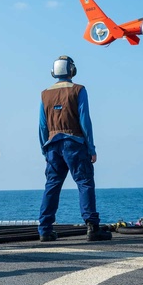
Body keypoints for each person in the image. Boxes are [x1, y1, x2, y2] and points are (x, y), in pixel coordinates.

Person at [37, 56, 112, 242]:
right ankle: (92, 227)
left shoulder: (45, 94)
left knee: (52, 186)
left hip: (52, 144)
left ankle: (45, 229)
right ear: (72, 70)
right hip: (75, 143)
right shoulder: (79, 90)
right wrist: (91, 147)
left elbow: (41, 125)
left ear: (53, 72)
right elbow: (85, 120)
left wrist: (44, 149)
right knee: (85, 183)